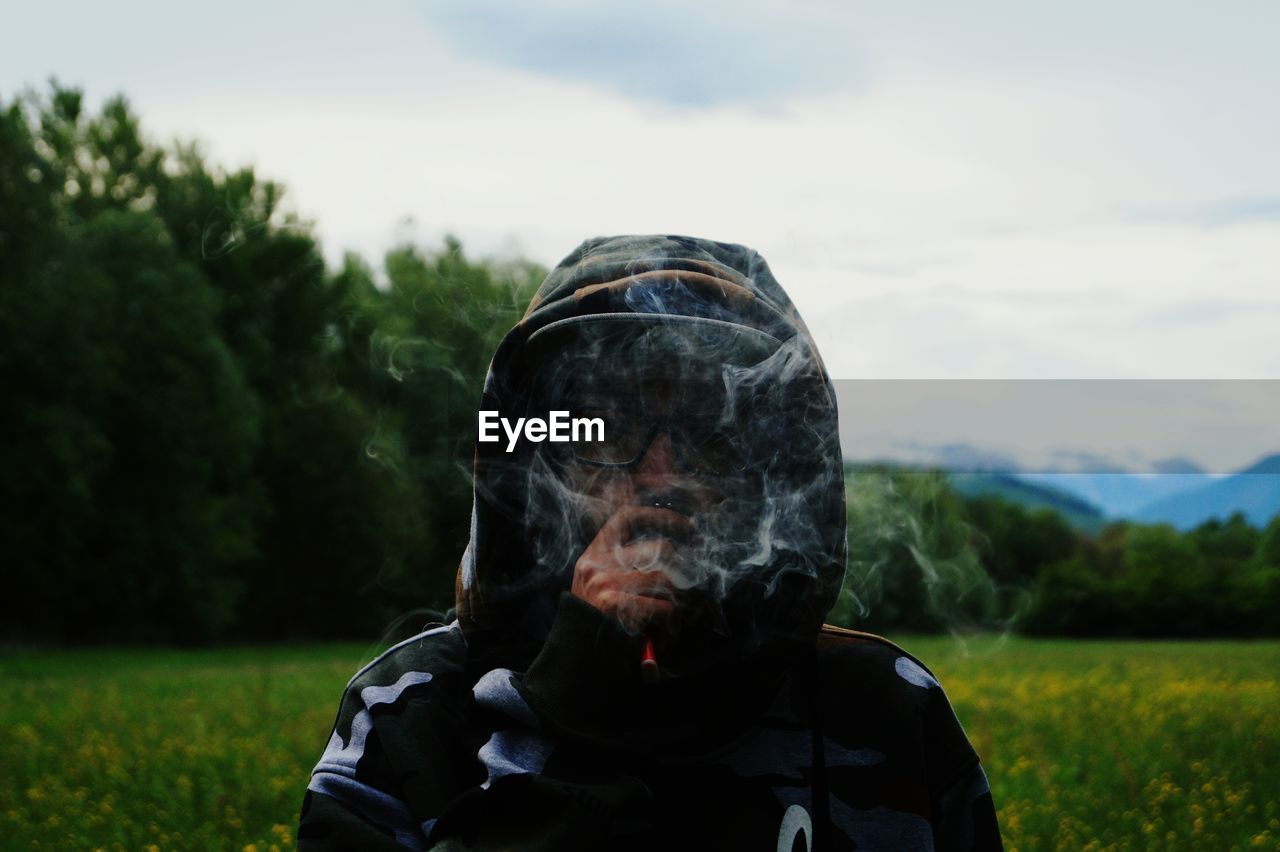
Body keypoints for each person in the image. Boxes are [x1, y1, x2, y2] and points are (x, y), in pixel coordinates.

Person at [298, 235, 1003, 851]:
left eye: (710, 429)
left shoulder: (885, 711)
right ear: (541, 461)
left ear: (769, 476)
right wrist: (571, 704)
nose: (661, 475)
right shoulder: (411, 711)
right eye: (605, 425)